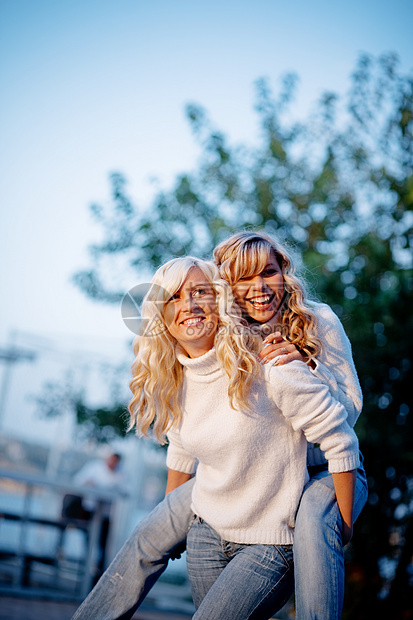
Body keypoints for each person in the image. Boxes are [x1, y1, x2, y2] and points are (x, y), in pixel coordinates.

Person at [72, 232, 367, 620]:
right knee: (149, 534)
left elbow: (349, 412)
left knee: (314, 519)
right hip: (249, 469)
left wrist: (308, 363)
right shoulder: (226, 333)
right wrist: (177, 517)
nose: (259, 288)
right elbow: (187, 436)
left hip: (321, 469)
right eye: (244, 279)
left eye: (269, 273)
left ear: (285, 273)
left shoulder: (316, 321)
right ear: (226, 288)